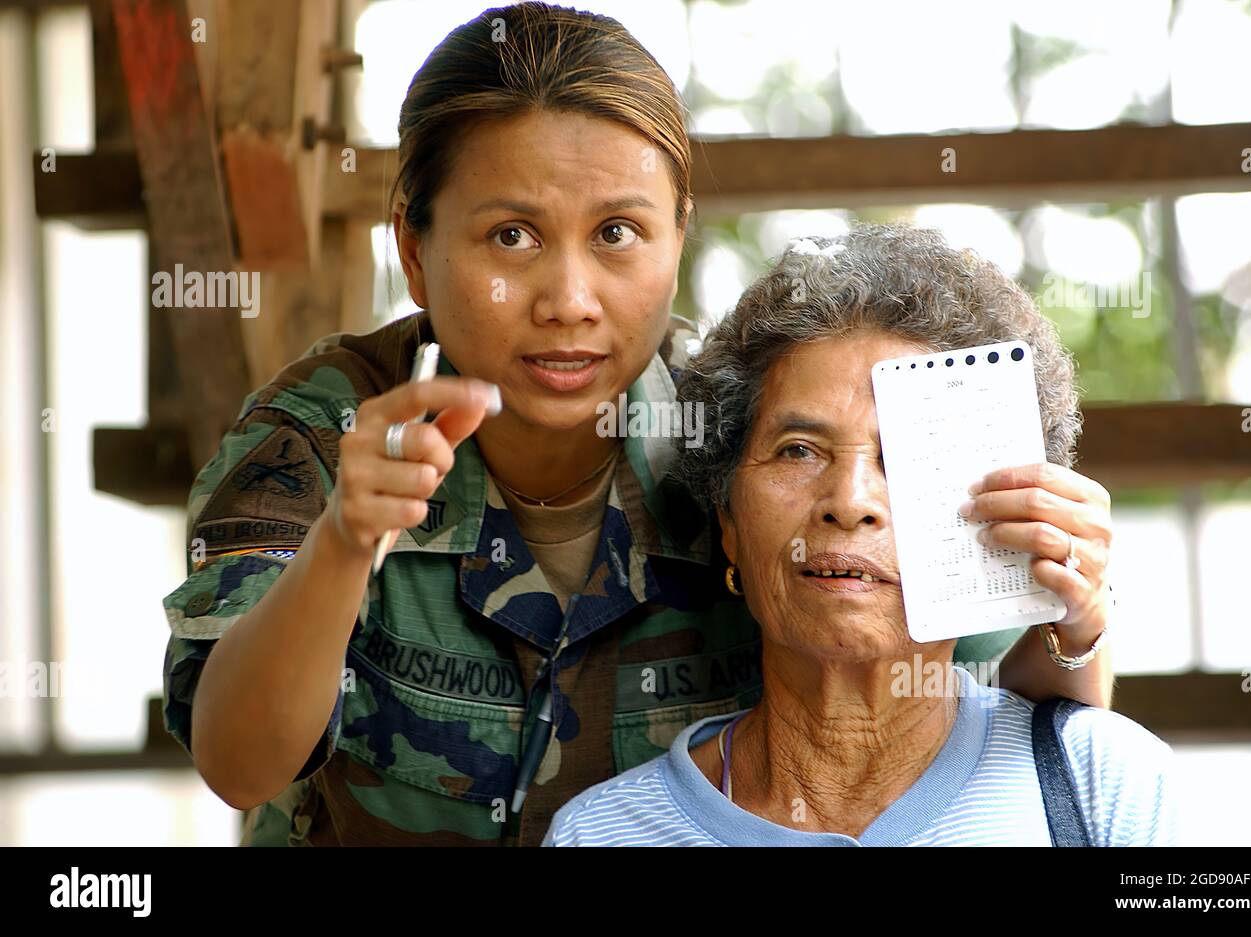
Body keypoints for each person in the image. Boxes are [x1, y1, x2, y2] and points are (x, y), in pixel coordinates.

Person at [160, 4, 1112, 847]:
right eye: (511, 237)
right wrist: (343, 542)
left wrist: (1077, 620)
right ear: (413, 247)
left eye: (617, 233)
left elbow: (996, 734)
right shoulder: (322, 436)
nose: (570, 301)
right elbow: (239, 763)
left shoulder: (757, 435)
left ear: (676, 236)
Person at [544, 224, 1176, 846]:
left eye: (905, 459)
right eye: (797, 451)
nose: (849, 503)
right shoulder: (602, 833)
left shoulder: (1104, 784)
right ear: (728, 522)